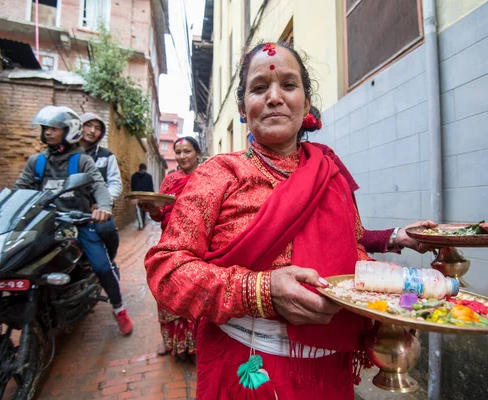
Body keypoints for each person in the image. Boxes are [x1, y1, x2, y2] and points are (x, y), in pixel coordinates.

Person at [145, 43, 433, 399]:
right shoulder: (218, 174)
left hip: (330, 369)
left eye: (288, 85)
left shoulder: (330, 174)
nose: (275, 97)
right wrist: (261, 291)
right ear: (241, 107)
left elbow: (353, 245)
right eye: (260, 87)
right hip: (247, 368)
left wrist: (397, 262)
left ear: (306, 103)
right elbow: (167, 270)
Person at [15, 106, 133, 336]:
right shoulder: (36, 162)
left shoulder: (82, 161)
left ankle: (119, 308)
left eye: (54, 128)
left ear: (68, 130)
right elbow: (20, 190)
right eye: (45, 128)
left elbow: (99, 185)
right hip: (45, 225)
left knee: (101, 265)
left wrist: (104, 207)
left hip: (79, 223)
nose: (48, 133)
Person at [139, 136, 202, 361]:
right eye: (178, 152)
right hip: (170, 241)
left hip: (198, 243)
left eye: (187, 151)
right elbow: (159, 215)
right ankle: (172, 341)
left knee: (194, 290)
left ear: (197, 153)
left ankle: (195, 344)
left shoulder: (207, 177)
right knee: (168, 289)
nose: (182, 156)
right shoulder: (170, 179)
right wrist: (151, 209)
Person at [79, 112, 122, 268]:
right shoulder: (69, 154)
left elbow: (115, 183)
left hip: (97, 209)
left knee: (106, 229)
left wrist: (102, 203)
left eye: (97, 128)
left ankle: (109, 260)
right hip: (72, 207)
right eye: (88, 125)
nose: (92, 131)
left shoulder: (106, 156)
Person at [130, 163, 154, 230]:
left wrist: (133, 196)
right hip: (146, 195)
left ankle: (141, 224)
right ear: (145, 169)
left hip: (137, 195)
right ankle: (143, 222)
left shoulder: (134, 176)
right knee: (144, 208)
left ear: (139, 168)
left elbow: (132, 187)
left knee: (138, 209)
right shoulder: (149, 176)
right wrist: (152, 196)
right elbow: (151, 187)